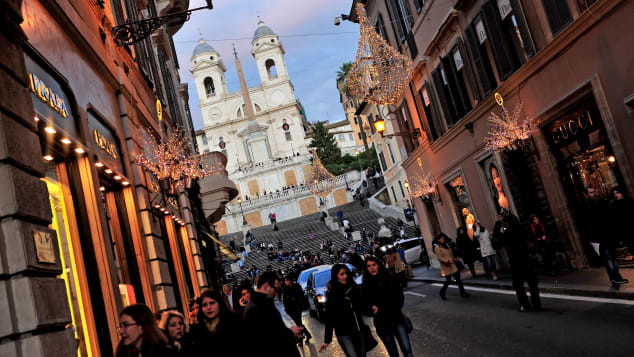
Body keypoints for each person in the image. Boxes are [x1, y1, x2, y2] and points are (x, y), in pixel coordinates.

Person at [362, 256, 414, 357]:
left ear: (378, 266)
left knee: (407, 350)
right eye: (369, 266)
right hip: (382, 324)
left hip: (396, 319)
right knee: (393, 354)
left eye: (374, 265)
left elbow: (399, 296)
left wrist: (394, 307)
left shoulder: (390, 278)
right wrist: (371, 310)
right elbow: (364, 305)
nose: (372, 268)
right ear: (366, 269)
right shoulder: (366, 285)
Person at [244, 271, 304, 357]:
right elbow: (270, 340)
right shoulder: (255, 309)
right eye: (276, 289)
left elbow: (275, 330)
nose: (276, 294)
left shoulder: (264, 303)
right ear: (266, 286)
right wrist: (290, 333)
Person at [319, 264, 369, 357]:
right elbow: (329, 318)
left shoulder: (354, 288)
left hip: (358, 330)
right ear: (335, 275)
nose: (345, 276)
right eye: (342, 274)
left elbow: (363, 306)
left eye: (346, 273)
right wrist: (327, 340)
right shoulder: (331, 294)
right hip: (344, 334)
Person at [498, 208, 541, 311]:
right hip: (526, 258)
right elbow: (531, 239)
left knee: (518, 285)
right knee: (532, 283)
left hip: (515, 261)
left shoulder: (506, 231)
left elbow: (499, 242)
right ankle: (536, 304)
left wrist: (502, 231)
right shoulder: (522, 228)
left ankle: (525, 305)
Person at [189, 290, 242, 356]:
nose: (209, 308)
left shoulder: (233, 322)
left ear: (219, 303)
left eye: (212, 303)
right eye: (204, 305)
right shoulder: (199, 329)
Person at [432, 233, 470, 300]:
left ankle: (463, 293)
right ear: (438, 240)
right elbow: (440, 258)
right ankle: (442, 292)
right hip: (446, 266)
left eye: (443, 238)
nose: (443, 240)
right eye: (442, 239)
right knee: (448, 281)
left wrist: (449, 248)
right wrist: (447, 261)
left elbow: (450, 254)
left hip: (452, 264)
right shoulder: (437, 248)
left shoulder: (445, 245)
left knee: (458, 279)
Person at [283, 275, 312, 343]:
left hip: (297, 308)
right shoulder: (285, 288)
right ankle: (306, 336)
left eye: (286, 280)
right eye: (285, 280)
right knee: (299, 324)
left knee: (299, 324)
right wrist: (287, 310)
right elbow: (285, 300)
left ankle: (302, 339)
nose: (285, 282)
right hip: (290, 310)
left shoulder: (296, 286)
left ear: (290, 281)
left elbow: (302, 297)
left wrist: (306, 306)